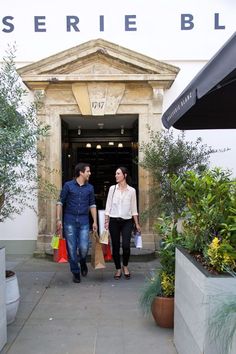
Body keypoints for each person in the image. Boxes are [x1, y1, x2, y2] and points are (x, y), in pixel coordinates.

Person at [56, 163, 97, 283]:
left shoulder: (90, 188)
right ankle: (75, 271)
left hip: (84, 220)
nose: (90, 173)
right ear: (81, 172)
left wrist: (95, 221)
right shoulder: (68, 185)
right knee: (72, 249)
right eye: (88, 171)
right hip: (70, 221)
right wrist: (58, 219)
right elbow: (60, 202)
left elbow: (92, 205)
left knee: (84, 248)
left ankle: (83, 262)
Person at [104, 167, 141, 279]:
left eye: (118, 173)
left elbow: (134, 209)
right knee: (115, 246)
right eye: (116, 173)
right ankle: (118, 269)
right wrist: (106, 221)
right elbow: (108, 206)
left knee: (126, 246)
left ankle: (125, 266)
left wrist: (137, 224)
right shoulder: (112, 189)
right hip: (114, 221)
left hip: (127, 221)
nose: (116, 175)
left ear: (124, 175)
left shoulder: (132, 191)